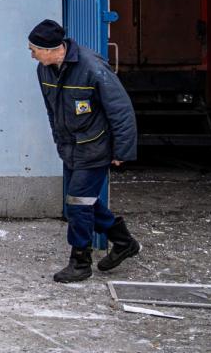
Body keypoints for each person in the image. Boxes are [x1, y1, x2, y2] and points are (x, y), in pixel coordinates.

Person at [28, 19, 142, 283]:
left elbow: (121, 110)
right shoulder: (44, 70)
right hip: (70, 148)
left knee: (78, 204)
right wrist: (60, 141)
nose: (32, 54)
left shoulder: (92, 67)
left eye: (34, 49)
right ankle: (124, 242)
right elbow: (52, 111)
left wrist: (122, 151)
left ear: (51, 48)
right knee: (84, 201)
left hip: (95, 146)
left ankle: (80, 262)